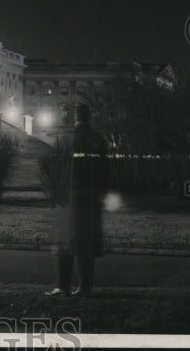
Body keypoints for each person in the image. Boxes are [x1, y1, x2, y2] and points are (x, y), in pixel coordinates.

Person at [44, 102, 108, 296]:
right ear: (89, 117)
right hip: (90, 198)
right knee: (86, 243)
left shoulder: (65, 141)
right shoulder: (99, 141)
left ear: (75, 117)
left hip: (67, 198)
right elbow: (106, 172)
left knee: (64, 242)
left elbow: (54, 172)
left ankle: (62, 285)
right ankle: (85, 286)